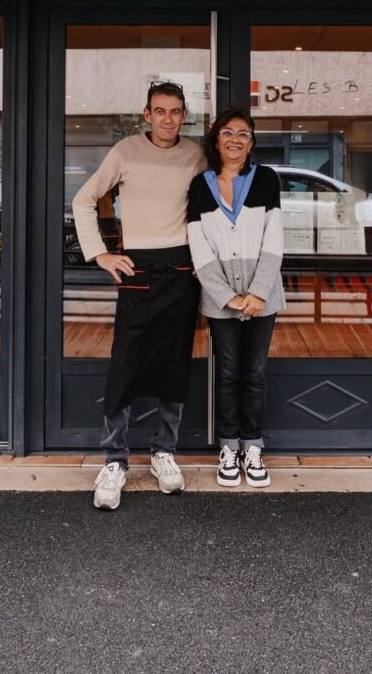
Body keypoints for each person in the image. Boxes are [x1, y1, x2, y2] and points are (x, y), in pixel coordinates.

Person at [73, 80, 206, 510]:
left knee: (174, 364)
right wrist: (100, 254)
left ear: (184, 116)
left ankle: (164, 451)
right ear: (146, 114)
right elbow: (83, 200)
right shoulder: (125, 151)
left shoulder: (195, 155)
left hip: (181, 268)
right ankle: (114, 459)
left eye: (175, 111)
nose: (168, 118)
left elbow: (210, 208)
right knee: (125, 365)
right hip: (137, 268)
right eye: (160, 110)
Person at [187, 107, 284, 488]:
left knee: (254, 374)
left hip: (263, 298)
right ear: (216, 140)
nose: (235, 140)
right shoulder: (200, 186)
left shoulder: (266, 179)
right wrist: (227, 297)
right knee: (227, 372)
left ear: (252, 142)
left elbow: (274, 240)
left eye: (243, 134)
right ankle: (229, 447)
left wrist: (258, 292)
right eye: (228, 132)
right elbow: (199, 248)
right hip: (220, 299)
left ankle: (253, 446)